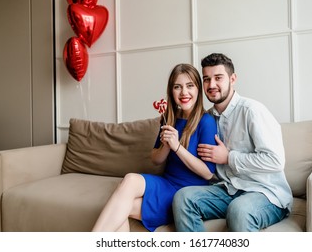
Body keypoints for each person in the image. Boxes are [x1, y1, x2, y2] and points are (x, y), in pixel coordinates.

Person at [172, 53, 293, 232]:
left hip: (265, 192)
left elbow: (275, 161)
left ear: (233, 79)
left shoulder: (252, 111)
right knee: (183, 197)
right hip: (228, 189)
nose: (211, 85)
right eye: (206, 79)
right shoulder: (208, 118)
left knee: (239, 210)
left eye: (218, 78)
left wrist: (229, 158)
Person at [92, 63, 218, 232]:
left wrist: (177, 147)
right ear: (171, 91)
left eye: (190, 86)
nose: (184, 93)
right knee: (129, 183)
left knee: (121, 208)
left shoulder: (206, 122)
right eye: (177, 87)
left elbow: (208, 173)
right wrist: (166, 145)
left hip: (186, 194)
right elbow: (156, 159)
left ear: (198, 90)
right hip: (166, 183)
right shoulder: (169, 118)